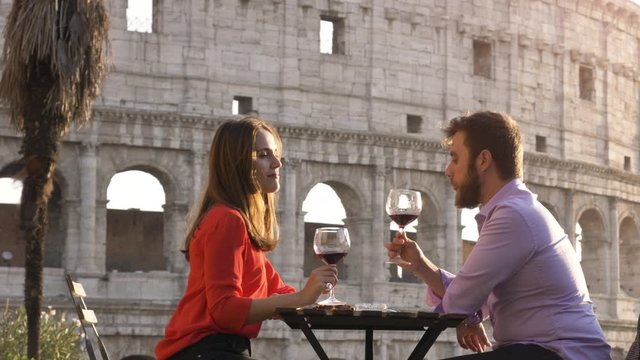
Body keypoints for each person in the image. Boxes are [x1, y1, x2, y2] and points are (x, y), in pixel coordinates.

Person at [385, 111, 611, 359]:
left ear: (483, 160)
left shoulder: (513, 216)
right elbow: (470, 297)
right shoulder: (517, 209)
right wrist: (421, 266)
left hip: (559, 353)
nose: (448, 171)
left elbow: (460, 300)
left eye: (455, 159)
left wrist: (466, 311)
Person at [155, 117, 337, 360]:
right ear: (237, 163)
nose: (277, 163)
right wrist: (302, 297)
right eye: (263, 155)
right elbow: (224, 310)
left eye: (275, 153)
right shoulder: (227, 219)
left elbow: (279, 292)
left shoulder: (240, 224)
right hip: (204, 350)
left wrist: (314, 294)